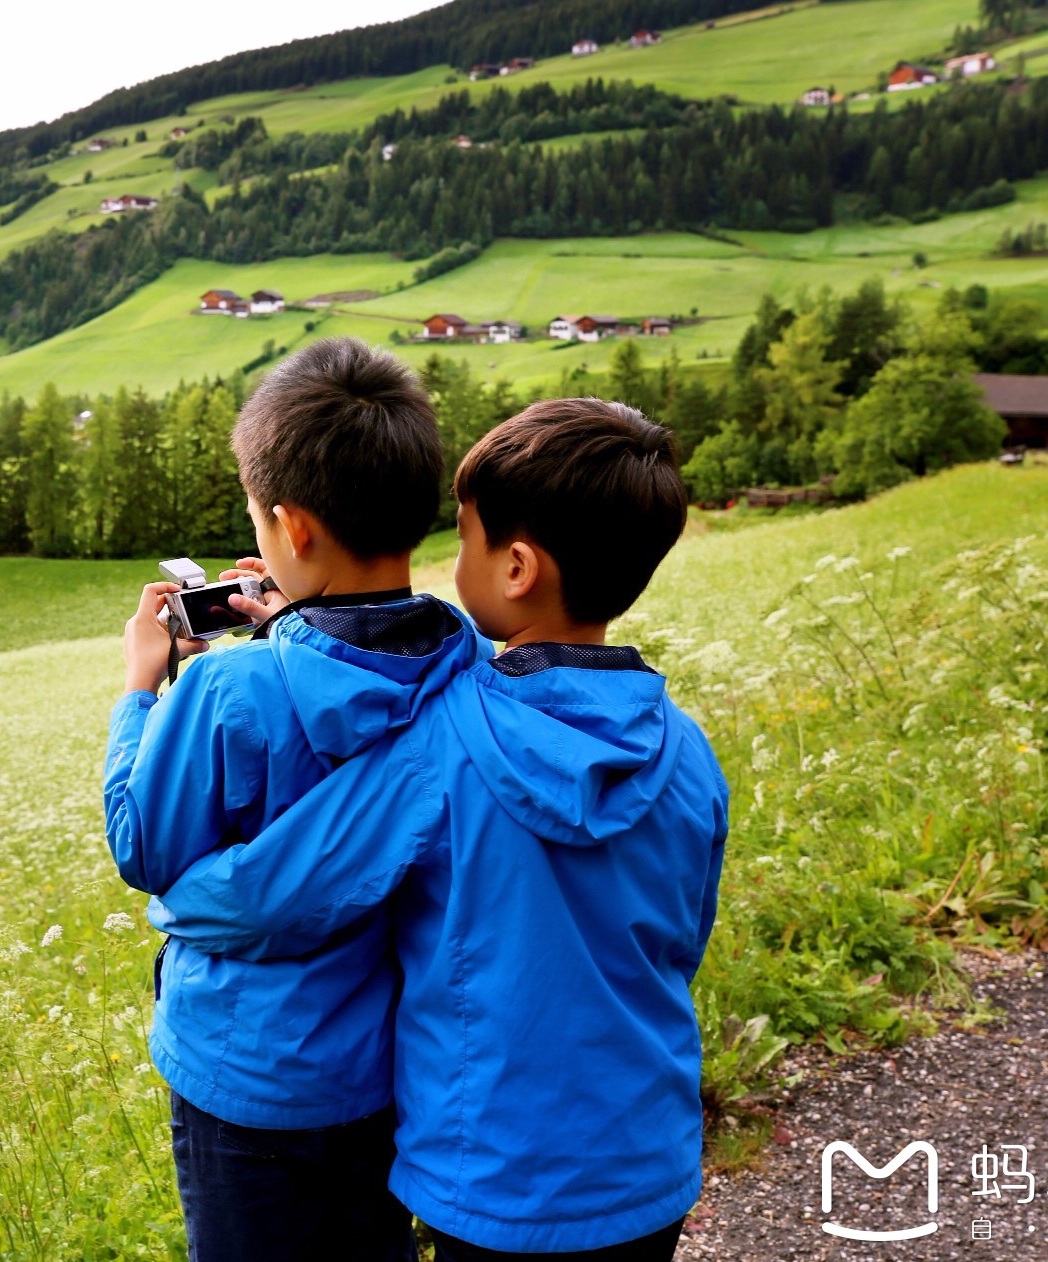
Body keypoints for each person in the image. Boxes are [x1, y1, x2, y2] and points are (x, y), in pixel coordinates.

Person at [149, 398, 729, 1260]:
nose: (454, 562)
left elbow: (276, 896)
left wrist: (177, 904)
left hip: (491, 1177)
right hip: (647, 1165)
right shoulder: (687, 751)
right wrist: (289, 618)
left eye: (465, 540)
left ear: (518, 567)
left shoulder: (448, 738)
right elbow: (682, 938)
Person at [102, 337, 489, 1261]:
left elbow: (140, 848)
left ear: (291, 529)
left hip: (245, 1082)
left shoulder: (225, 692)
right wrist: (292, 619)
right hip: (393, 1071)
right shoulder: (465, 664)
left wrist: (139, 690)